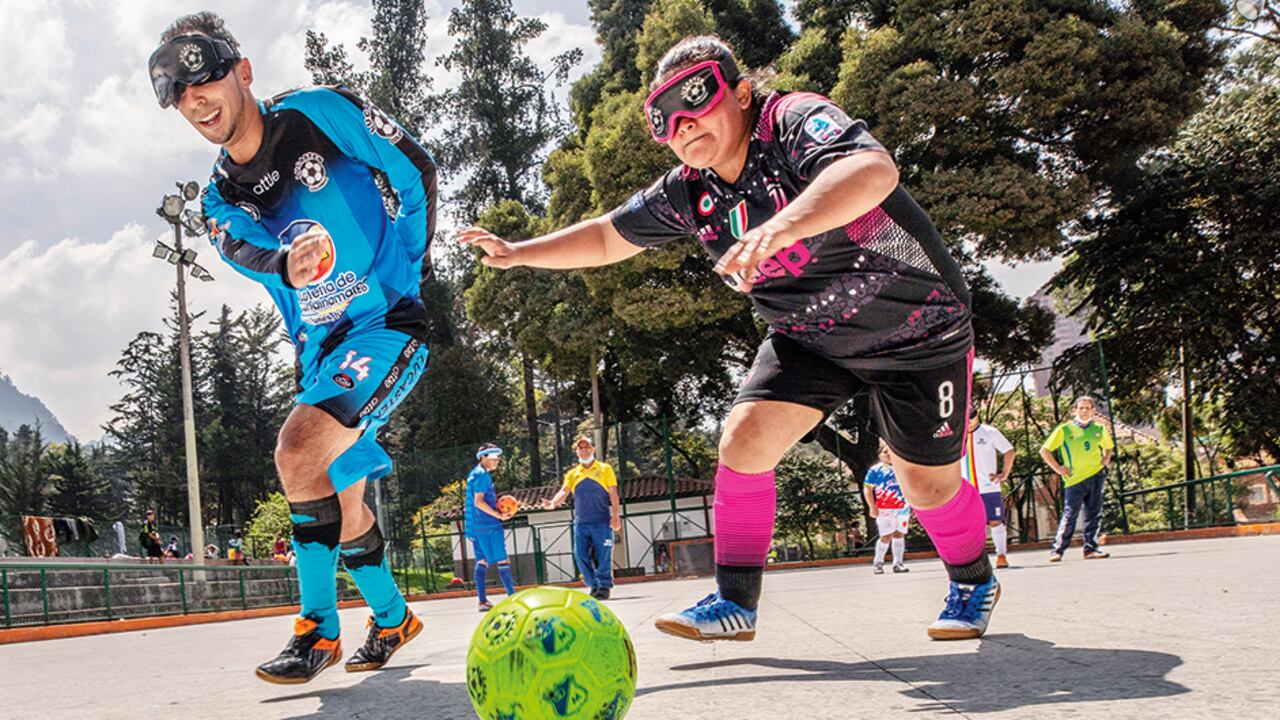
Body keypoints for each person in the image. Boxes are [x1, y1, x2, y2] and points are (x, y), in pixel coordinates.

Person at [461, 35, 997, 642]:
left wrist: (780, 227)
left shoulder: (792, 121)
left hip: (916, 332)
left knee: (926, 484)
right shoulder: (690, 190)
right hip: (813, 337)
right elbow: (610, 236)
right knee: (742, 439)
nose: (683, 125)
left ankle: (974, 579)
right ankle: (734, 602)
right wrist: (518, 253)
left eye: (696, 100)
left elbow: (870, 171)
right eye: (665, 120)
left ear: (742, 93)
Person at [150, 11, 436, 683]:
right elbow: (245, 250)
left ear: (243, 71)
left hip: (384, 325)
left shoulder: (318, 115)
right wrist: (283, 262)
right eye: (177, 95)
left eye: (204, 78)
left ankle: (317, 630)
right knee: (343, 496)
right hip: (321, 356)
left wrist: (410, 264)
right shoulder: (219, 198)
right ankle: (393, 618)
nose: (194, 101)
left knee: (297, 450)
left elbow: (415, 165)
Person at [540, 436, 622, 600]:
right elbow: (564, 491)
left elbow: (613, 493)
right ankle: (593, 584)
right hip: (581, 522)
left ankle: (604, 586)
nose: (584, 450)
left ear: (593, 449)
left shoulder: (605, 469)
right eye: (580, 448)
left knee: (604, 554)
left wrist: (616, 516)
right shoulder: (572, 473)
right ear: (576, 451)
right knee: (580, 554)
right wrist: (553, 503)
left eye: (587, 447)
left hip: (602, 521)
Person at [1041, 396, 1114, 562]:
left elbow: (1108, 446)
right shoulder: (1064, 430)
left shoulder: (1099, 429)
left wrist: (1106, 458)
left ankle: (1091, 549)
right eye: (1081, 408)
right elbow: (1044, 450)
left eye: (1088, 408)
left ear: (1093, 411)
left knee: (1094, 513)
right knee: (1070, 514)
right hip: (1074, 479)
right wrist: (1058, 468)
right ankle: (1057, 550)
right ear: (1075, 410)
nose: (1084, 411)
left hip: (1095, 474)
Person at [961, 406, 1016, 568]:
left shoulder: (989, 432)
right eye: (966, 418)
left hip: (988, 487)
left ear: (977, 415)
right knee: (969, 526)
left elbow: (1009, 451)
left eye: (971, 417)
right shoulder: (957, 436)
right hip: (965, 488)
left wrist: (1004, 473)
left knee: (995, 521)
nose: (969, 421)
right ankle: (973, 560)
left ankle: (1001, 555)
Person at [464, 444, 516, 612]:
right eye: (493, 456)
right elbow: (478, 502)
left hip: (476, 527)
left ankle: (482, 601)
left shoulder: (473, 474)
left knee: (482, 561)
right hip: (488, 526)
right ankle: (513, 597)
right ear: (483, 457)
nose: (497, 459)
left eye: (498, 456)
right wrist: (498, 515)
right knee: (503, 559)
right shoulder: (483, 476)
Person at [863, 442, 910, 574]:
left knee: (899, 534)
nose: (889, 454)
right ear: (879, 455)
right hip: (885, 509)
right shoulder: (875, 470)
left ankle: (898, 563)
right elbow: (867, 489)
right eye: (885, 452)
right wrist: (872, 507)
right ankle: (878, 563)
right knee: (885, 535)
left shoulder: (902, 468)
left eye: (891, 451)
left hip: (902, 507)